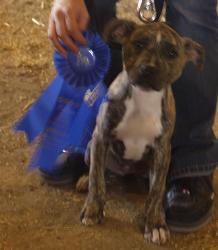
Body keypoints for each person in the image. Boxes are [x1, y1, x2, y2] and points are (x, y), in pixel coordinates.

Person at [46, 0, 218, 232]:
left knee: (193, 7)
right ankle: (84, 138)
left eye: (169, 53)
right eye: (139, 46)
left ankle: (190, 162)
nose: (150, 64)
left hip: (157, 138)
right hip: (114, 112)